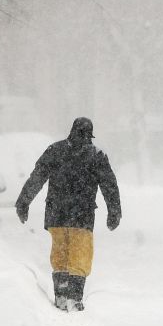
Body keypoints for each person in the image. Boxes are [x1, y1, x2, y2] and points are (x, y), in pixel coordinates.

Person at [15, 117, 121, 312]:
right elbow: (109, 186)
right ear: (90, 135)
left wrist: (23, 202)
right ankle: (73, 296)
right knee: (79, 256)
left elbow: (37, 177)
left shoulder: (55, 150)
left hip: (57, 214)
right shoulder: (96, 155)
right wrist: (114, 211)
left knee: (60, 254)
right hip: (81, 216)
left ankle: (62, 294)